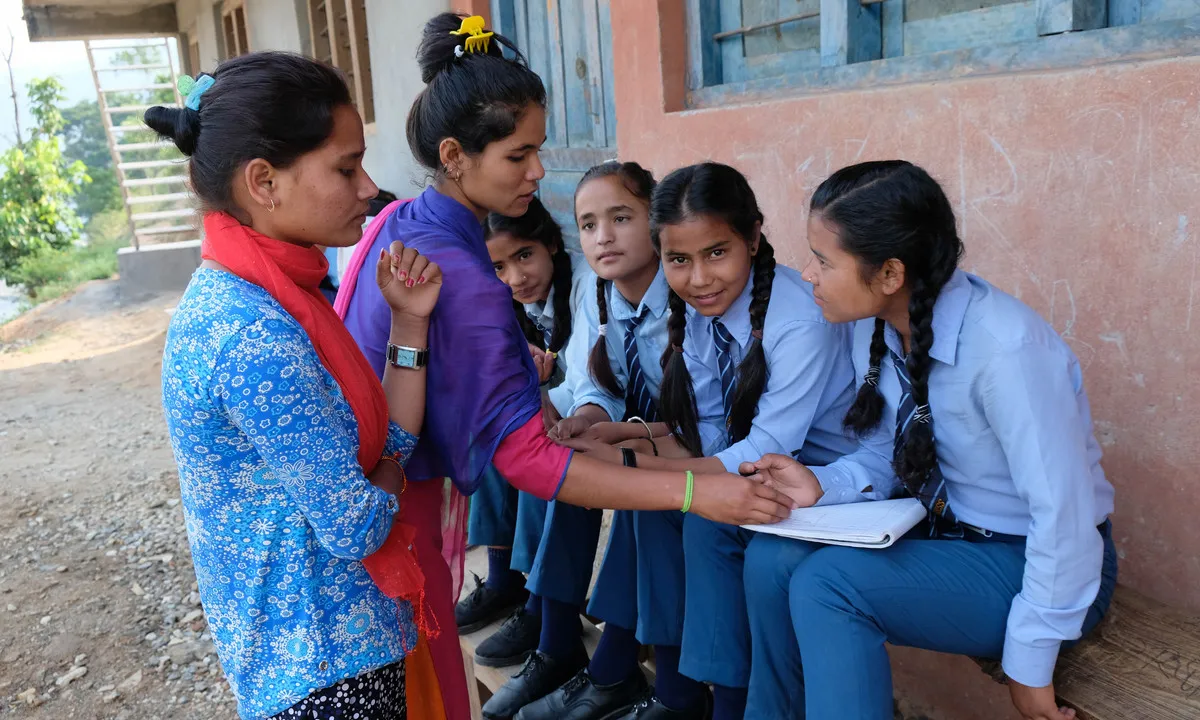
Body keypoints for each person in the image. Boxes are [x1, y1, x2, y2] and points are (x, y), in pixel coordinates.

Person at [334, 14, 793, 720]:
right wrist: (696, 492)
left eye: (539, 150)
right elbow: (530, 461)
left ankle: (611, 667)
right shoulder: (464, 273)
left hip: (388, 493)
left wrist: (614, 437)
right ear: (455, 155)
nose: (538, 171)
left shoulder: (404, 226)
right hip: (398, 507)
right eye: (518, 155)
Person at [740, 160, 1118, 720]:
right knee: (771, 559)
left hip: (1034, 561)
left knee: (828, 587)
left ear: (890, 273)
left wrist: (1031, 661)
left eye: (824, 260)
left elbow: (1063, 517)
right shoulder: (876, 325)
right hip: (946, 531)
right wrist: (822, 484)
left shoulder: (1007, 353)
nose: (808, 274)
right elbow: (889, 449)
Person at [153, 52, 443, 719]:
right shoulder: (254, 333)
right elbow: (356, 523)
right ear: (264, 181)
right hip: (325, 671)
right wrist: (380, 480)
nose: (369, 187)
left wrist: (409, 323)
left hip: (326, 652)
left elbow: (387, 449)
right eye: (346, 167)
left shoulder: (266, 293)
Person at [550, 162, 858, 720]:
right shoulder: (695, 313)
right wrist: (630, 447)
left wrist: (631, 464)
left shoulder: (798, 321)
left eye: (717, 253)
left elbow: (764, 448)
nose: (699, 279)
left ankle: (722, 704)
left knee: (702, 519)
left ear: (753, 237)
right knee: (653, 508)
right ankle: (677, 690)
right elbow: (709, 432)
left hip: (822, 480)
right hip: (763, 467)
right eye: (679, 260)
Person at [458, 196, 600, 670]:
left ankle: (544, 605)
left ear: (552, 245)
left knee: (543, 458)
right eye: (498, 266)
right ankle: (505, 580)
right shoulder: (503, 300)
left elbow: (588, 382)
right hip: (565, 404)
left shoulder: (587, 286)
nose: (516, 277)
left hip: (607, 410)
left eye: (524, 256)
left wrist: (534, 397)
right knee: (490, 436)